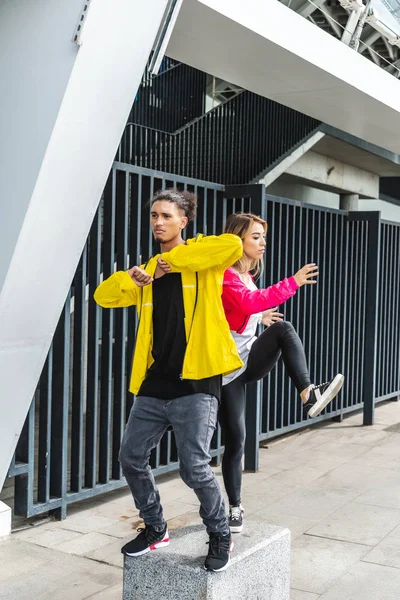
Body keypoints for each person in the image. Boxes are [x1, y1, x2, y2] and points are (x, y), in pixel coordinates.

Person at [94, 189, 244, 572]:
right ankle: (156, 527)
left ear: (184, 222)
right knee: (130, 456)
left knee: (193, 466)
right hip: (155, 382)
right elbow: (103, 296)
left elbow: (230, 245)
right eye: (154, 215)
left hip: (196, 382)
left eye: (166, 216)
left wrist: (169, 261)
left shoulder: (202, 259)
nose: (158, 222)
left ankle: (219, 532)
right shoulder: (147, 271)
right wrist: (135, 276)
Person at [219, 212, 344, 534]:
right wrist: (293, 282)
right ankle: (234, 507)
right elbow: (245, 303)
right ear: (237, 240)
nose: (262, 242)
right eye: (255, 236)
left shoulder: (247, 276)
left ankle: (308, 392)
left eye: (263, 236)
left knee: (283, 329)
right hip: (224, 370)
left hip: (247, 358)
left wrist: (258, 320)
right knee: (236, 440)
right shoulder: (226, 275)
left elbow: (243, 310)